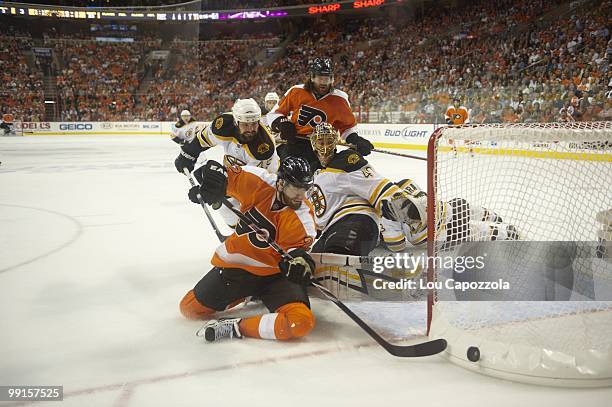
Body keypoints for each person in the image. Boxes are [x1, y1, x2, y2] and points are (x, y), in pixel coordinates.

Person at [179, 157, 318, 342]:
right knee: (189, 308)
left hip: (276, 276)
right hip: (239, 270)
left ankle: (236, 326)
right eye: (297, 187)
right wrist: (212, 186)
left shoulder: (303, 218)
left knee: (300, 322)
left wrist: (301, 265)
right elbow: (220, 173)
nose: (302, 195)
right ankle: (247, 293)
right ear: (281, 183)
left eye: (305, 188)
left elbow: (296, 253)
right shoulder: (258, 180)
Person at [307, 122, 426, 256]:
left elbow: (377, 185)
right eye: (320, 142)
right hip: (331, 228)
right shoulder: (314, 173)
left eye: (329, 141)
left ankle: (427, 216)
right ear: (313, 144)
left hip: (355, 223)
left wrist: (404, 208)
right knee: (315, 261)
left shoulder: (346, 161)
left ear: (335, 142)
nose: (325, 147)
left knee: (335, 258)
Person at [175, 98, 279, 228]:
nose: (251, 129)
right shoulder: (223, 125)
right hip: (233, 171)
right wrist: (188, 153)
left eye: (254, 123)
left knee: (255, 215)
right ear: (236, 121)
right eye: (245, 124)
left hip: (264, 184)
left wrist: (213, 188)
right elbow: (203, 139)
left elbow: (250, 183)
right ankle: (236, 229)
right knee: (226, 208)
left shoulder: (263, 148)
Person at [266, 58, 373, 169]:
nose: (323, 83)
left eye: (326, 79)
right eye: (320, 78)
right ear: (312, 77)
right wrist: (282, 124)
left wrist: (355, 139)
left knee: (323, 183)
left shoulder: (340, 99)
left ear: (332, 79)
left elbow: (348, 127)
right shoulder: (296, 91)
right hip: (296, 144)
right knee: (290, 181)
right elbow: (274, 114)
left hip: (325, 148)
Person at [380, 179, 520, 252]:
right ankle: (501, 230)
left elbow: (396, 245)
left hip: (440, 220)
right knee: (467, 226)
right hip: (435, 233)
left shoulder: (403, 187)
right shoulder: (387, 217)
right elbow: (396, 246)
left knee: (464, 215)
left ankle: (496, 223)